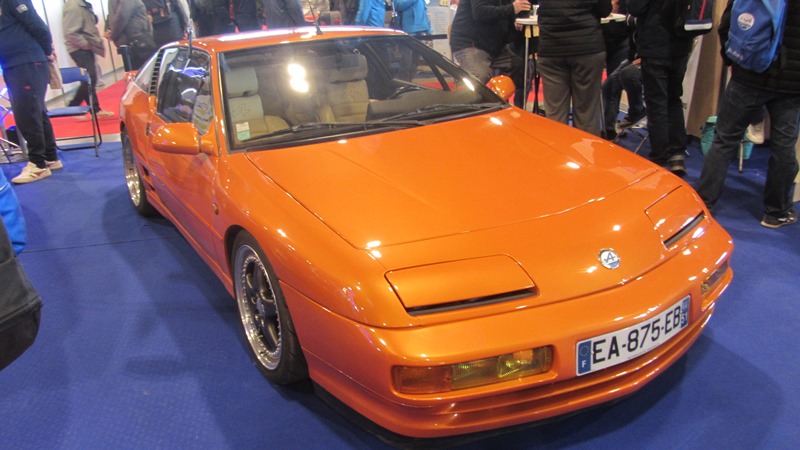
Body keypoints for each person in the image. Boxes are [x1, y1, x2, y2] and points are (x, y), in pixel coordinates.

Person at [695, 0, 799, 229]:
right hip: (791, 85)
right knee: (783, 147)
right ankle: (776, 212)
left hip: (748, 75)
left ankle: (703, 204)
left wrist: (733, 60)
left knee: (724, 140)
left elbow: (727, 24)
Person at [628, 0, 694, 177]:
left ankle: (659, 156)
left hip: (655, 46)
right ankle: (677, 154)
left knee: (657, 103)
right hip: (681, 45)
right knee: (674, 100)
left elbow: (635, 8)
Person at [0, 0, 60, 184]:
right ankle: (50, 157)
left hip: (26, 62)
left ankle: (38, 164)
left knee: (27, 113)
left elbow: (37, 25)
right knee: (36, 111)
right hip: (14, 64)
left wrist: (48, 50)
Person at [536, 1, 612, 136]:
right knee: (586, 112)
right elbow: (604, 10)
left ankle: (557, 148)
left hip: (551, 46)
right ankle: (585, 148)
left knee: (555, 114)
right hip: (587, 47)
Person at [449, 0, 531, 108]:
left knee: (522, 70)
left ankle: (512, 108)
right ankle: (461, 109)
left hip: (495, 44)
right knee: (478, 76)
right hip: (470, 43)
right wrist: (512, 9)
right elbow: (480, 12)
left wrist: (520, 17)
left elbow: (522, 6)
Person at [63, 0, 114, 119]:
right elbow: (70, 32)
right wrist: (86, 45)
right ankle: (74, 107)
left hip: (84, 47)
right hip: (79, 48)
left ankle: (94, 109)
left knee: (90, 78)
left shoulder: (82, 4)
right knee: (89, 78)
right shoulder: (74, 6)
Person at [107, 0, 157, 70]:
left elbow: (120, 16)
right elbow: (120, 17)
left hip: (134, 39)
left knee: (140, 71)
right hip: (135, 39)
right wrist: (112, 33)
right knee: (143, 71)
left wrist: (113, 34)